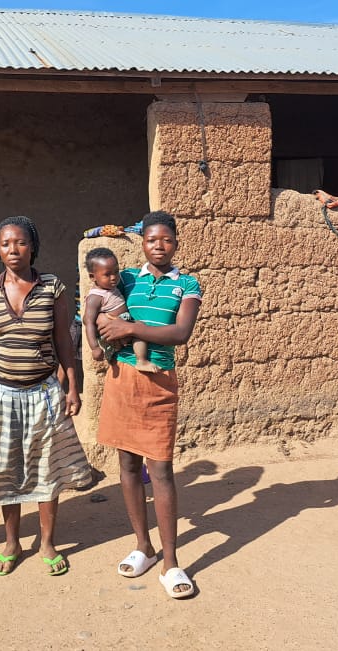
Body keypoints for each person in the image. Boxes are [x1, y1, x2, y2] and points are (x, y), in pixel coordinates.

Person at [0, 216, 93, 577]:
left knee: (46, 469)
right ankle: (12, 543)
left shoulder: (52, 287)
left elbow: (63, 340)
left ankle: (47, 542)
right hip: (1, 394)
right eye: (5, 243)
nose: (13, 249)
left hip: (43, 392)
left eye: (20, 242)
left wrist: (72, 385)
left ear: (32, 247)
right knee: (8, 470)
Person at [96, 210, 203, 599]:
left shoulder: (187, 284)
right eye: (151, 240)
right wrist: (104, 329)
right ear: (142, 243)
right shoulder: (125, 279)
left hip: (158, 382)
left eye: (166, 240)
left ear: (176, 243)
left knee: (160, 470)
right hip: (122, 379)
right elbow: (99, 307)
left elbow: (180, 332)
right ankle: (143, 545)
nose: (159, 246)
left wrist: (130, 328)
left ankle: (170, 562)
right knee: (127, 465)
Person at [82, 247, 160, 373]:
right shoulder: (95, 297)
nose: (113, 277)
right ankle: (141, 360)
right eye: (107, 274)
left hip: (122, 323)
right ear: (92, 277)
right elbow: (88, 322)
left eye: (116, 272)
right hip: (112, 329)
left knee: (138, 329)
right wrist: (94, 348)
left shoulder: (110, 287)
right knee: (139, 328)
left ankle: (133, 358)